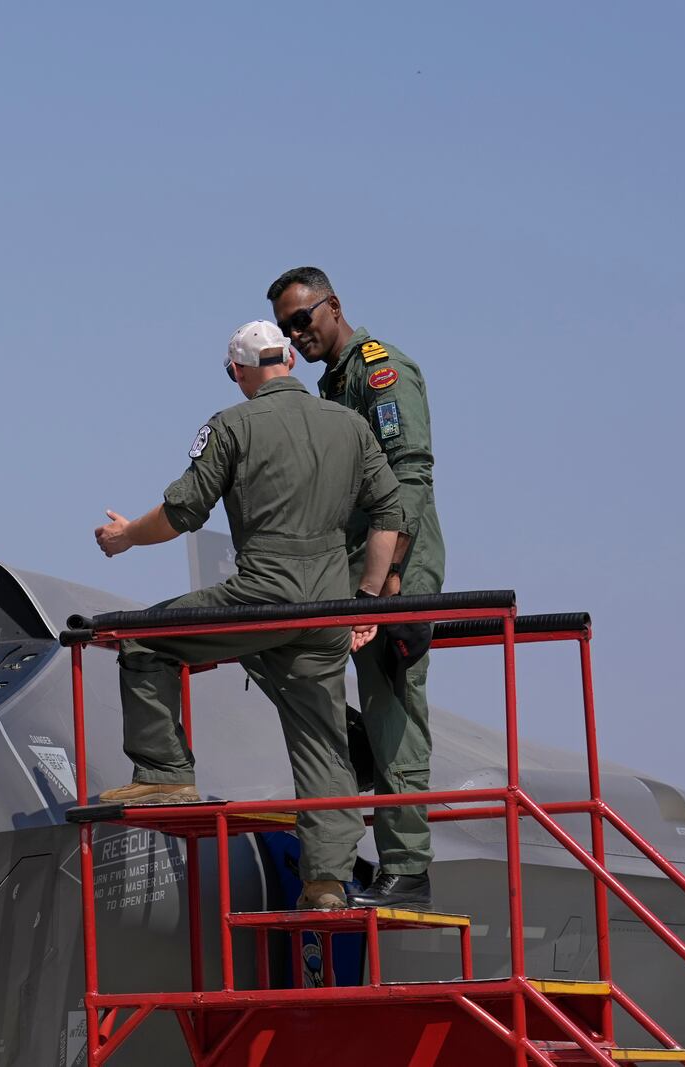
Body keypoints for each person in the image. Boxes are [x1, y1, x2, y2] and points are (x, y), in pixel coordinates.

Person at [93, 321, 408, 910]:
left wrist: (125, 537)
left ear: (238, 371)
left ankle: (164, 776)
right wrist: (365, 599)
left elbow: (182, 512)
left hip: (261, 595)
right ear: (288, 359)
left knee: (142, 640)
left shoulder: (231, 425)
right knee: (321, 737)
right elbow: (391, 509)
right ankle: (327, 882)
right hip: (327, 610)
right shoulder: (352, 425)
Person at [268, 266, 446, 910]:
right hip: (348, 566)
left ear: (332, 307)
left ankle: (407, 868)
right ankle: (361, 748)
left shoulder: (379, 373)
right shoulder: (334, 386)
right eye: (286, 329)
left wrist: (391, 579)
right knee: (271, 643)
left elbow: (411, 477)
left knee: (391, 701)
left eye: (302, 320)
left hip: (396, 564)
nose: (296, 334)